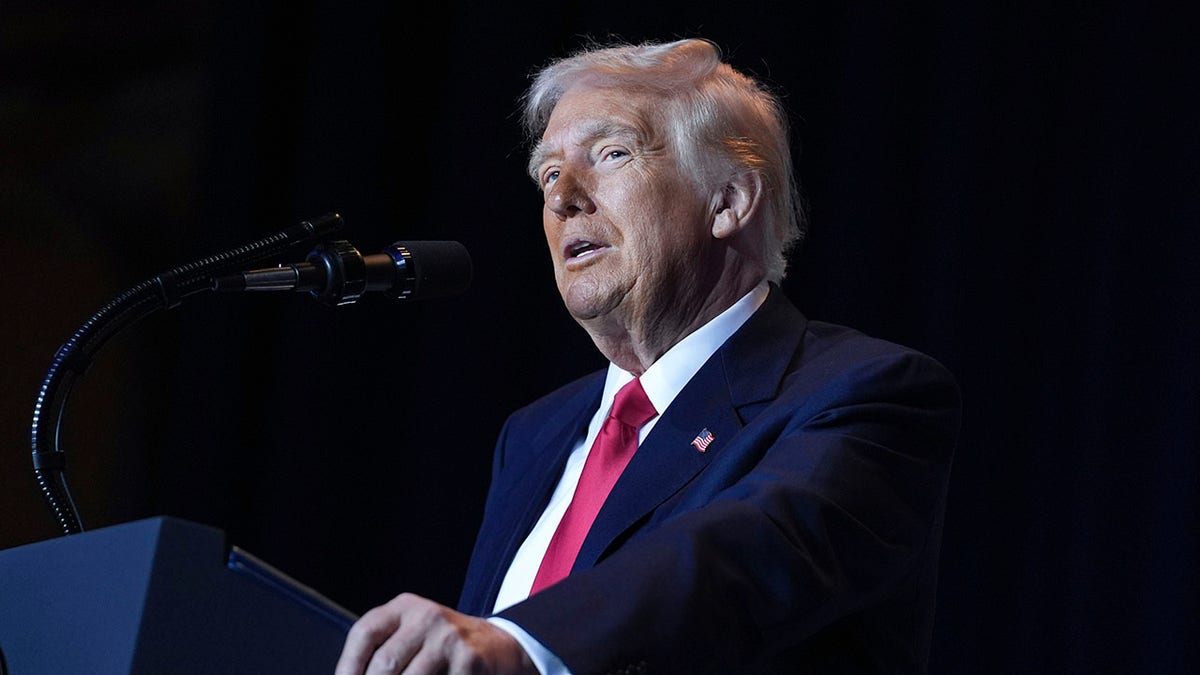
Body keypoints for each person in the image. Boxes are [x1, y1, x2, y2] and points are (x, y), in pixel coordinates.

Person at [335, 37, 961, 674]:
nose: (562, 198)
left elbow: (742, 553)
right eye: (549, 173)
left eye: (610, 154)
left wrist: (523, 641)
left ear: (729, 200)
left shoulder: (866, 393)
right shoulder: (533, 435)